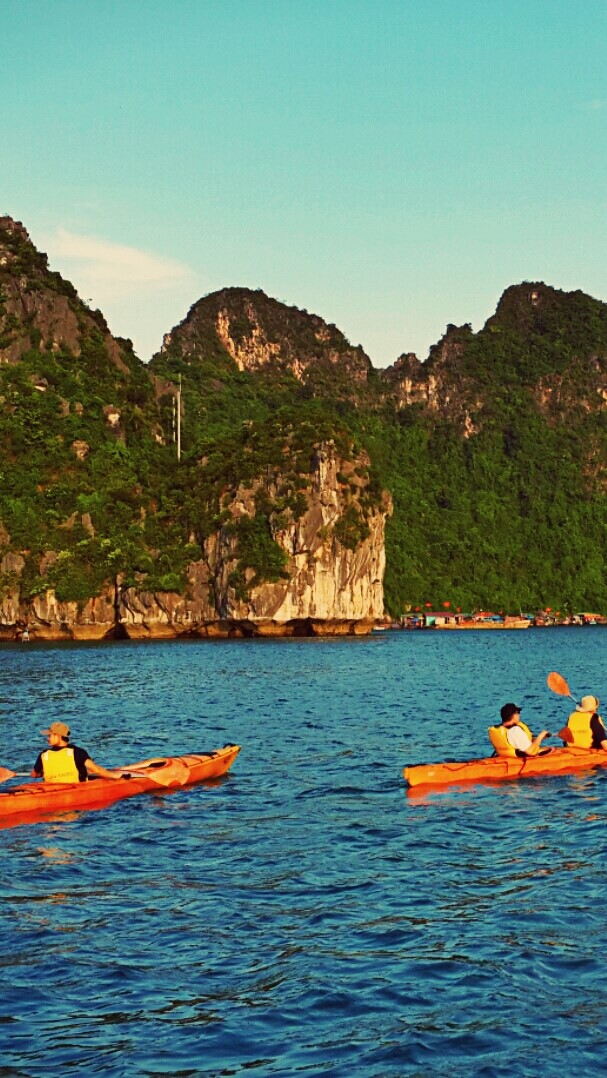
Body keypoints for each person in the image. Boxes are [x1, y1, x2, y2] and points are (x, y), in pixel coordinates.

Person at [32, 721, 124, 783]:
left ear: (58, 736)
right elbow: (95, 770)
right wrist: (116, 776)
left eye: (50, 736)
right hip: (72, 790)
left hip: (53, 791)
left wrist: (42, 773)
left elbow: (35, 774)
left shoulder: (44, 755)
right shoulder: (77, 752)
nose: (48, 739)